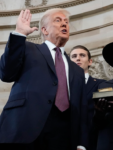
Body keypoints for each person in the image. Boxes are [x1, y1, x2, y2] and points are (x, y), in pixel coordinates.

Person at [0, 9, 88, 150]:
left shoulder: (77, 70)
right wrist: (19, 34)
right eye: (58, 20)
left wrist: (81, 143)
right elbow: (6, 73)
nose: (64, 24)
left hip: (63, 136)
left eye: (66, 22)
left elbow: (81, 108)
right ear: (44, 30)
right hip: (24, 128)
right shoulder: (27, 48)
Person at [70, 45, 105, 150]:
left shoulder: (101, 84)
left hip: (94, 139)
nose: (78, 58)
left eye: (82, 55)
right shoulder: (61, 86)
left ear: (90, 61)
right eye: (74, 56)